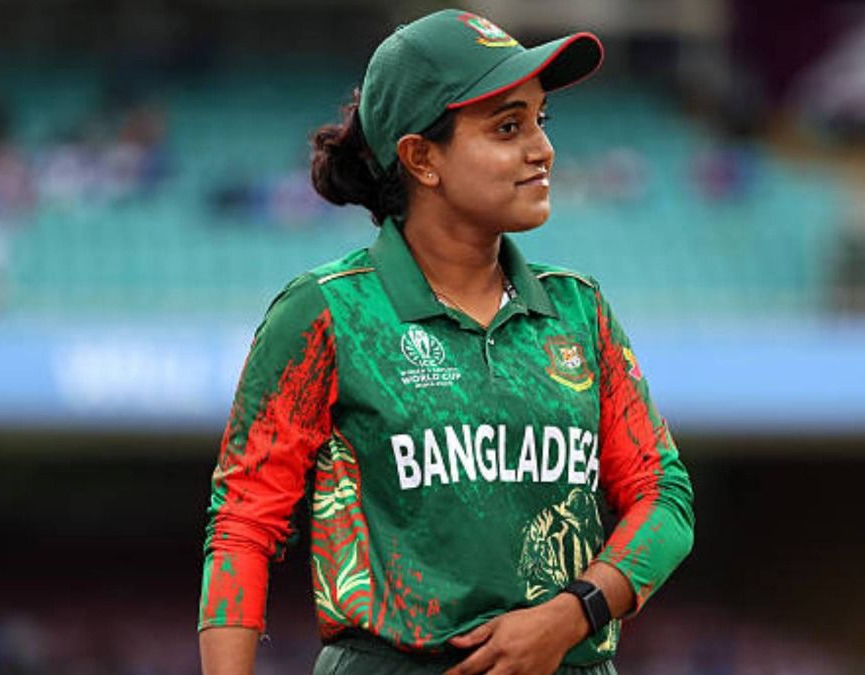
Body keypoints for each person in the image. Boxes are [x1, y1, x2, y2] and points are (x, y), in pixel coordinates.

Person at [197, 9, 695, 675]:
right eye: (507, 126)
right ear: (422, 157)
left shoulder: (580, 310)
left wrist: (572, 612)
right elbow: (243, 525)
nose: (542, 149)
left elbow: (665, 496)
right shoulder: (328, 311)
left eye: (541, 121)